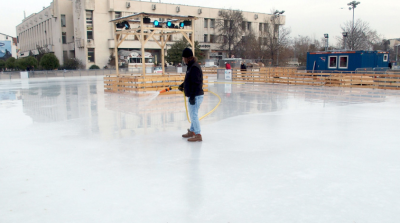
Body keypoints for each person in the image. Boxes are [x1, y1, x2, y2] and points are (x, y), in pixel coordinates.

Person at [178, 48, 204, 142]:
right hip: (193, 95)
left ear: (187, 58)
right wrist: (182, 85)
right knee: (193, 114)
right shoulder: (190, 66)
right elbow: (188, 80)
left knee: (194, 115)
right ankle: (192, 131)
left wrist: (192, 96)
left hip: (196, 95)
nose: (183, 59)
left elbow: (196, 83)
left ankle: (198, 134)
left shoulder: (194, 67)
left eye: (184, 58)